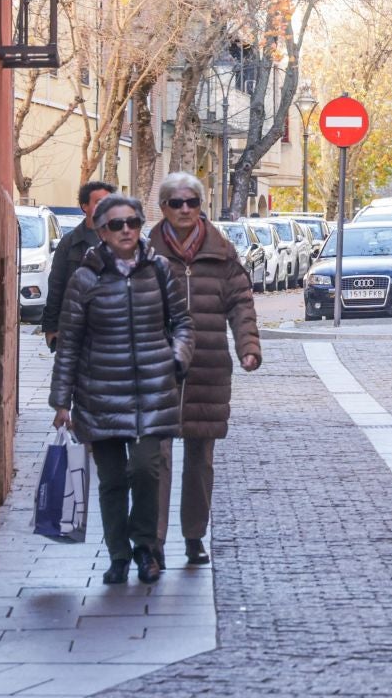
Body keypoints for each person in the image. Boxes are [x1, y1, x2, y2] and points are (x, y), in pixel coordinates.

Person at [49, 193, 192, 587]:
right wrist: (61, 401)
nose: (126, 230)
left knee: (147, 469)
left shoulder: (159, 269)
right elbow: (70, 343)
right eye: (116, 224)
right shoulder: (85, 278)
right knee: (111, 481)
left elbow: (182, 322)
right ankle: (118, 555)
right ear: (101, 231)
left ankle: (145, 546)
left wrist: (177, 358)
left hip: (153, 391)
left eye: (132, 222)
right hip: (99, 396)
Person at [148, 172, 260, 569]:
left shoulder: (222, 252)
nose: (184, 210)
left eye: (191, 203)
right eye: (175, 203)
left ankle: (194, 535)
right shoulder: (148, 253)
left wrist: (248, 347)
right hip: (158, 369)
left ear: (200, 207)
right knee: (156, 457)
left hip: (209, 367)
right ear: (162, 208)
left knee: (201, 458)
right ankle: (154, 541)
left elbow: (242, 304)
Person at [44, 179, 113, 351]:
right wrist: (51, 327)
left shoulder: (122, 241)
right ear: (85, 207)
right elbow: (56, 285)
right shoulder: (70, 243)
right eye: (99, 202)